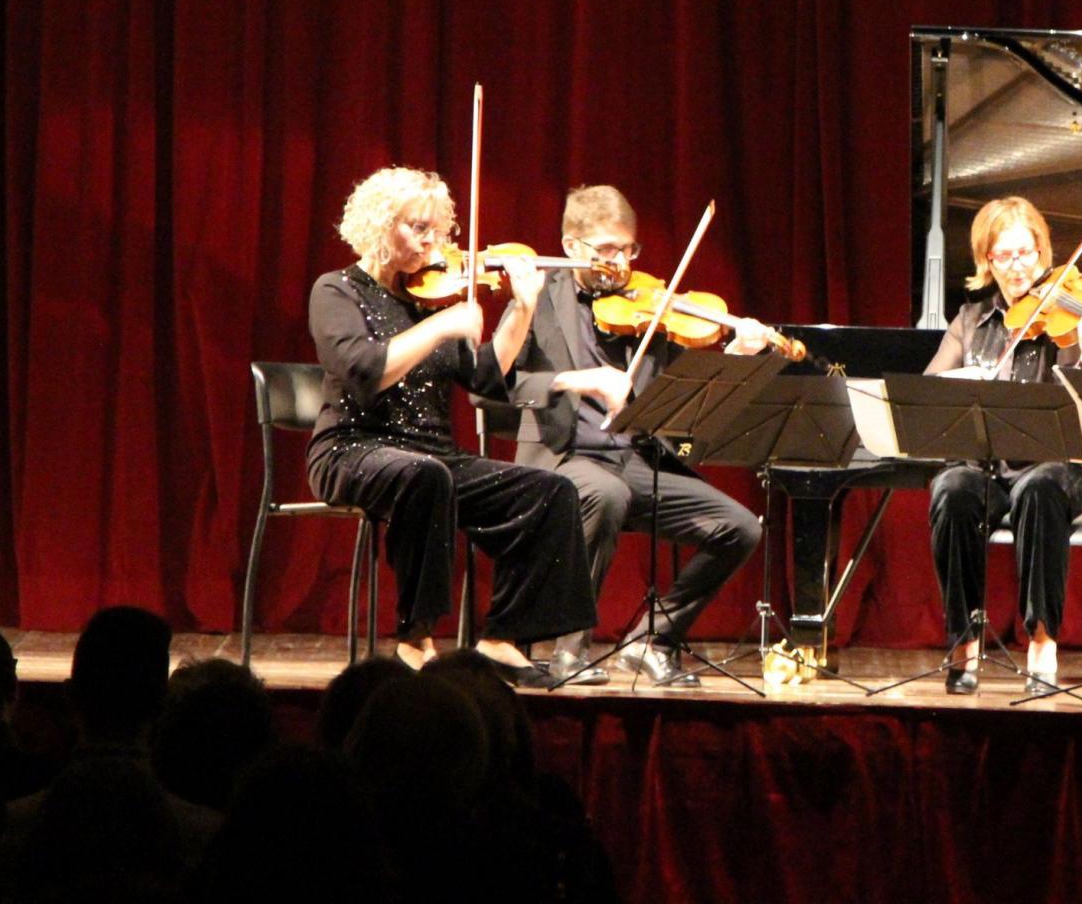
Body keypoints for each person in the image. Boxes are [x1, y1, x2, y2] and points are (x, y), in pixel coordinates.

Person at [308, 166, 594, 686]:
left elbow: (485, 377)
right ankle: (416, 639)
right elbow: (364, 371)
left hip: (433, 454)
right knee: (426, 476)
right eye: (418, 228)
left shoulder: (428, 296)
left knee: (550, 491)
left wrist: (521, 310)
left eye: (438, 231)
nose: (431, 242)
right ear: (379, 225)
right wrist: (442, 325)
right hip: (352, 448)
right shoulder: (337, 291)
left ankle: (503, 637)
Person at [507, 184, 764, 687]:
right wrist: (578, 381)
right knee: (605, 495)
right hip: (562, 459)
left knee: (740, 527)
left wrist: (735, 358)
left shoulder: (648, 302)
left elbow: (679, 391)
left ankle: (651, 639)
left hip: (634, 460)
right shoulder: (534, 299)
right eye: (606, 250)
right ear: (570, 246)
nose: (620, 262)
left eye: (628, 249)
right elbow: (497, 385)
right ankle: (568, 649)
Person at [924, 196, 1082, 693]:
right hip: (986, 469)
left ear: (1043, 252)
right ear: (987, 262)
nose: (1016, 267)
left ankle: (1042, 640)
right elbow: (930, 392)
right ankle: (964, 641)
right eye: (1002, 257)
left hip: (1052, 469)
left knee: (1039, 489)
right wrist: (970, 380)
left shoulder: (1065, 318)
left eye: (1025, 254)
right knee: (951, 489)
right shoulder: (971, 321)